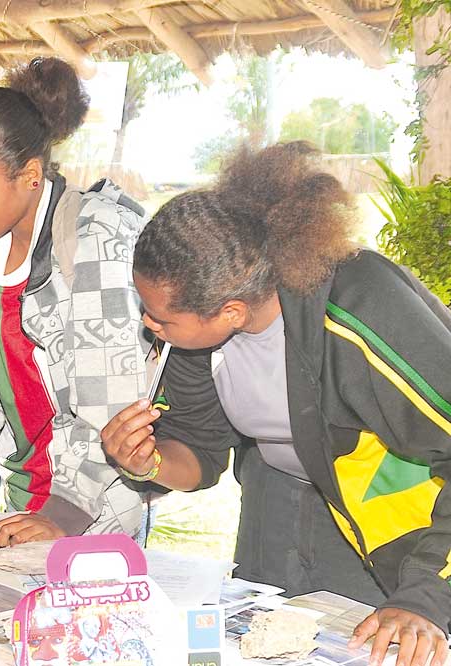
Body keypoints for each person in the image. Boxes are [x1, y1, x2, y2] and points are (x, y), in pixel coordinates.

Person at [102, 141, 451, 666]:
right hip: (276, 504)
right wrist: (146, 461)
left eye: (161, 318)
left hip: (400, 518)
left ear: (231, 312)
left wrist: (425, 596)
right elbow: (199, 453)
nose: (149, 325)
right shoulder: (191, 336)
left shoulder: (360, 308)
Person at [0, 57, 146, 546]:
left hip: (96, 509)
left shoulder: (96, 238)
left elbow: (111, 403)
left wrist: (62, 515)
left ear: (30, 175)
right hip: (22, 499)